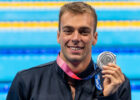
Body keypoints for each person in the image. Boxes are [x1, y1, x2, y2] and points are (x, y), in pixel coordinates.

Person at [7, 2, 131, 100]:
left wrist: (109, 97)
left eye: (84, 31)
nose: (76, 38)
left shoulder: (118, 84)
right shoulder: (27, 81)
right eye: (68, 31)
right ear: (58, 36)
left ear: (95, 38)